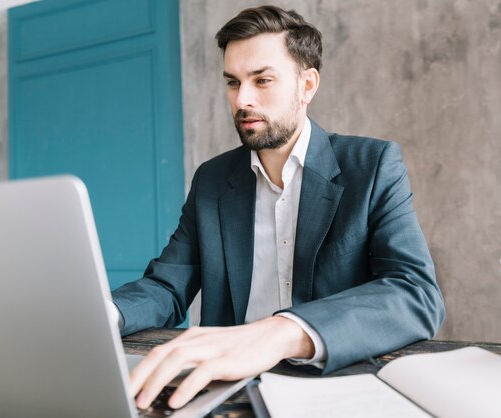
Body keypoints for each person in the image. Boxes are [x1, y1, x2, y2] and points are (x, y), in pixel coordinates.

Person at [112, 5, 445, 410]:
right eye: (233, 83)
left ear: (307, 85)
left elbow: (416, 293)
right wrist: (104, 315)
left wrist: (283, 331)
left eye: (262, 80)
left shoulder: (372, 166)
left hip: (334, 388)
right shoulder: (212, 180)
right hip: (225, 392)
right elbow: (167, 285)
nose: (243, 99)